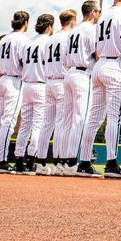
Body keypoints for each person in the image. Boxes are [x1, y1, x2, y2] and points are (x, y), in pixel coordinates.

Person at [86, 0, 121, 178]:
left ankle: (83, 162)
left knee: (93, 118)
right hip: (116, 65)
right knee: (114, 116)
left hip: (99, 65)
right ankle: (112, 163)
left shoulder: (102, 16)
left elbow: (97, 48)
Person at [58, 0, 101, 177]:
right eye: (98, 11)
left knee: (66, 120)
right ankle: (72, 162)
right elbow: (97, 54)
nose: (99, 15)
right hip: (83, 74)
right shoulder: (90, 29)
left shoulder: (73, 31)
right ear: (91, 12)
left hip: (69, 74)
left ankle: (62, 161)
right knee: (80, 119)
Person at [0, 11, 31, 172]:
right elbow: (24, 63)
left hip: (1, 80)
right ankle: (1, 160)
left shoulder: (4, 38)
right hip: (14, 80)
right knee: (8, 121)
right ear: (25, 22)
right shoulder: (23, 40)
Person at [14, 14, 51, 173]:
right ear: (49, 26)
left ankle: (18, 161)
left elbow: (21, 61)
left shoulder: (28, 42)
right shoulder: (48, 41)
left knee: (24, 126)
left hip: (27, 85)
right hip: (40, 85)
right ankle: (30, 161)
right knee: (37, 126)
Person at [35, 12, 70, 175]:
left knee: (46, 124)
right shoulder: (68, 37)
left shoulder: (50, 39)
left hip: (48, 82)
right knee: (61, 123)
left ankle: (40, 162)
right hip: (61, 81)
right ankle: (58, 163)